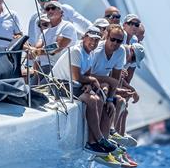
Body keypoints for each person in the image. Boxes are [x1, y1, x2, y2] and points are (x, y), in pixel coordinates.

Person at [51, 26, 119, 157]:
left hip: (74, 85)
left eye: (96, 40)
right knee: (92, 100)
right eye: (91, 39)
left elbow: (86, 75)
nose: (93, 43)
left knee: (98, 99)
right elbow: (77, 76)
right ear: (84, 38)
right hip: (60, 85)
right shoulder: (76, 51)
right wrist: (92, 80)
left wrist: (88, 84)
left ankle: (93, 142)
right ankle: (99, 139)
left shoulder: (91, 53)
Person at [89, 25, 139, 163]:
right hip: (87, 82)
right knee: (101, 95)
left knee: (113, 104)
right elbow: (85, 74)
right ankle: (98, 142)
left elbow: (115, 78)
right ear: (106, 36)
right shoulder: (97, 51)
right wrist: (107, 82)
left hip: (103, 85)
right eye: (113, 39)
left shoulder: (121, 51)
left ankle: (106, 147)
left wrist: (111, 99)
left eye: (119, 41)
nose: (116, 43)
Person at [25, 1, 77, 81]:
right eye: (47, 9)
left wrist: (35, 52)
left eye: (53, 8)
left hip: (59, 69)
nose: (50, 11)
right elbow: (37, 47)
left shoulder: (67, 26)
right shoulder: (45, 32)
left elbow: (57, 47)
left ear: (61, 12)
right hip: (43, 69)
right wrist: (29, 50)